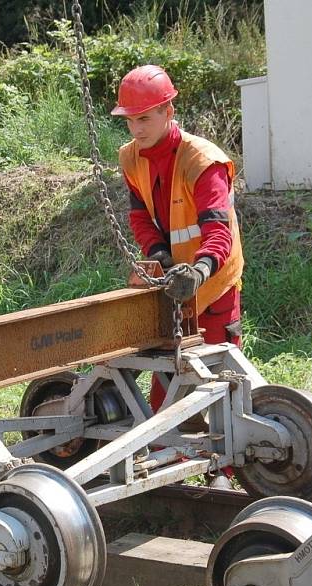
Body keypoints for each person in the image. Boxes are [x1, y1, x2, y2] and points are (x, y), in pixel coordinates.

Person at [112, 65, 244, 420]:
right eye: (130, 120)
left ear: (168, 113)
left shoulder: (203, 161)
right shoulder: (131, 157)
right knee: (166, 398)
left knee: (224, 392)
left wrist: (199, 270)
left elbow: (218, 231)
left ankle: (228, 471)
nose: (137, 129)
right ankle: (168, 464)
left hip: (213, 287)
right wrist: (159, 255)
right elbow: (139, 216)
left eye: (145, 119)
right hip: (173, 290)